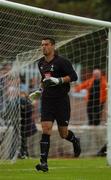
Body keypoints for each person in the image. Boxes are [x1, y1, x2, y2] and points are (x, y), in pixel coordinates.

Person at [35, 37, 81, 172]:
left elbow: (74, 77)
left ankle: (74, 140)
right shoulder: (40, 63)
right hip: (47, 100)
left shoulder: (63, 62)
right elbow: (43, 80)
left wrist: (59, 80)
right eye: (42, 45)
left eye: (46, 44)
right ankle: (43, 163)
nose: (43, 47)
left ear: (53, 46)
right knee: (46, 129)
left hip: (61, 101)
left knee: (63, 133)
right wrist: (39, 90)